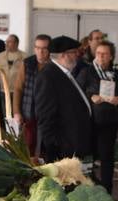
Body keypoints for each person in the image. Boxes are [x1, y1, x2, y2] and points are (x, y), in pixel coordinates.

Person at [33, 35, 94, 164]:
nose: (77, 55)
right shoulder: (48, 76)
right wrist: (56, 148)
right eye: (73, 52)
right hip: (63, 149)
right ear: (63, 55)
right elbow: (45, 117)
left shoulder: (65, 73)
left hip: (73, 144)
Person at [83, 41, 118, 192]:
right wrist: (91, 96)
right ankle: (87, 186)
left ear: (111, 57)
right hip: (90, 121)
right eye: (98, 53)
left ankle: (107, 190)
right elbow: (76, 92)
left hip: (109, 121)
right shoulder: (87, 72)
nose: (101, 57)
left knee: (106, 156)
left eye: (104, 54)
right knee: (87, 154)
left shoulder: (116, 75)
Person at [19, 34, 51, 153]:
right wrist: (17, 112)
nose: (40, 51)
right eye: (37, 48)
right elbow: (18, 88)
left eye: (44, 48)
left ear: (49, 50)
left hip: (48, 113)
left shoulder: (54, 65)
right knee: (29, 144)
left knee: (46, 146)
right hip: (28, 111)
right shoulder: (27, 63)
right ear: (34, 48)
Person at [0, 34, 26, 123]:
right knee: (6, 115)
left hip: (18, 91)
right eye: (6, 42)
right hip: (3, 91)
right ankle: (8, 134)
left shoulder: (24, 57)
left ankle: (18, 134)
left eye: (9, 42)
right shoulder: (0, 56)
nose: (7, 44)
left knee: (18, 115)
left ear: (16, 43)